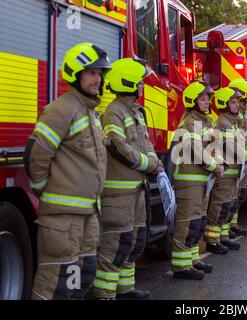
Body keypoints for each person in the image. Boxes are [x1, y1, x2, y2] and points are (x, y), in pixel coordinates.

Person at [24, 43, 111, 300]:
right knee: (57, 285)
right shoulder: (62, 110)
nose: (98, 79)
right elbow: (36, 155)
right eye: (91, 73)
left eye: (100, 73)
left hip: (88, 216)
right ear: (76, 74)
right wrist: (45, 191)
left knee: (81, 279)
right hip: (64, 220)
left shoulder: (90, 112)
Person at [90, 58, 163, 300]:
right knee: (116, 244)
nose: (142, 86)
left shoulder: (136, 112)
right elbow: (119, 148)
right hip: (119, 194)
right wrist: (149, 164)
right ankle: (104, 293)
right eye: (139, 82)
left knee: (135, 240)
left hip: (137, 190)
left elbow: (146, 143)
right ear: (127, 83)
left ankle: (125, 289)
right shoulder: (113, 113)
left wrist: (153, 159)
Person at [171, 81, 223, 280]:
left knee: (198, 223)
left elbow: (212, 148)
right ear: (192, 101)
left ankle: (192, 260)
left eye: (208, 98)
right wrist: (214, 166)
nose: (206, 102)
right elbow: (196, 150)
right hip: (189, 180)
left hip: (202, 180)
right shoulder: (190, 122)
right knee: (187, 223)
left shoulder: (206, 121)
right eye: (202, 98)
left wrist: (218, 163)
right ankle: (181, 267)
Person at [205, 87, 243, 252]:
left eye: (237, 102)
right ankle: (212, 242)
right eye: (233, 102)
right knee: (219, 207)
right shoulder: (223, 122)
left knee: (228, 206)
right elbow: (231, 146)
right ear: (224, 104)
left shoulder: (232, 122)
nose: (237, 106)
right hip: (225, 173)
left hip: (233, 172)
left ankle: (223, 237)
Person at [228, 79, 247, 237]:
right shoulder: (232, 114)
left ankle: (233, 224)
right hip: (235, 160)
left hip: (245, 160)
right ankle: (226, 228)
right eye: (246, 98)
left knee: (240, 195)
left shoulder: (245, 113)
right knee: (231, 196)